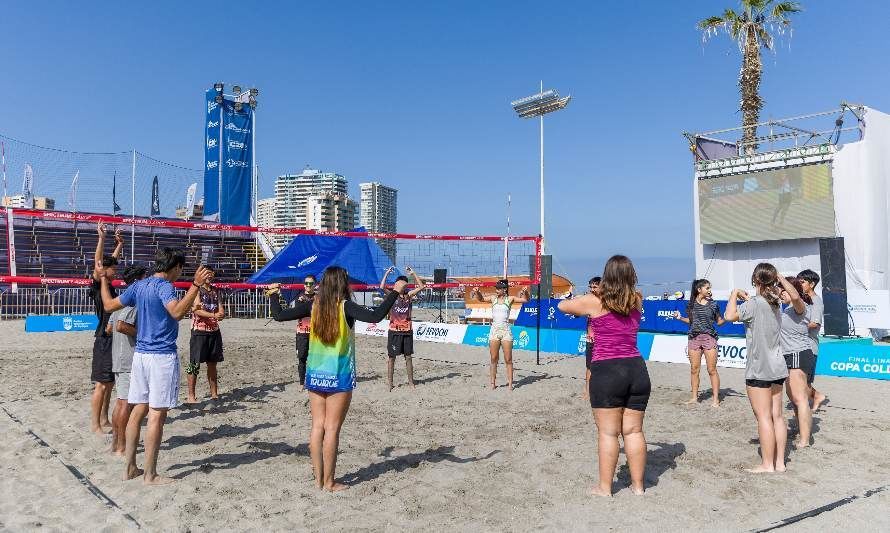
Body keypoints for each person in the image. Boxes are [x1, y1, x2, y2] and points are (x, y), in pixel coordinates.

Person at [266, 267, 405, 492]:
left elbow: (279, 315)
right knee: (331, 429)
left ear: (324, 284)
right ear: (343, 284)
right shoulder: (345, 307)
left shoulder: (313, 305)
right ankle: (329, 482)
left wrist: (273, 293)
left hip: (315, 373)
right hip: (339, 374)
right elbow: (376, 316)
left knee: (317, 426)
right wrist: (396, 291)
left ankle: (318, 480)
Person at [101, 248, 211, 485]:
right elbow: (177, 312)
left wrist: (102, 278)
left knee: (138, 410)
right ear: (175, 267)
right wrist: (195, 285)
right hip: (161, 357)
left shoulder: (140, 285)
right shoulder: (164, 287)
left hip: (140, 355)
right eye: (180, 269)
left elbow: (109, 305)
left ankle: (130, 467)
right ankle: (150, 475)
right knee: (156, 416)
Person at [558, 255, 650, 497]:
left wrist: (583, 299)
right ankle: (638, 487)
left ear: (606, 276)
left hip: (608, 369)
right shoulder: (636, 300)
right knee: (634, 431)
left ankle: (605, 488)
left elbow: (562, 306)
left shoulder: (594, 301)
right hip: (636, 368)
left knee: (608, 433)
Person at [724, 263, 797, 474]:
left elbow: (729, 316)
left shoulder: (755, 303)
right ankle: (780, 462)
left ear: (755, 280)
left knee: (764, 417)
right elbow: (783, 298)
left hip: (759, 366)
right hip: (777, 365)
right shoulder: (776, 303)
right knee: (778, 416)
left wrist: (733, 294)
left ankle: (767, 464)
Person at [108, 264, 148, 456]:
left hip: (118, 355)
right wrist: (144, 334)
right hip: (128, 357)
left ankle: (116, 443)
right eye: (145, 277)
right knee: (126, 404)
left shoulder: (120, 298)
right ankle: (121, 446)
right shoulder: (133, 299)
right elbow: (122, 326)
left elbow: (110, 328)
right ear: (139, 279)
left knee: (120, 403)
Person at [88, 221, 124, 435]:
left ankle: (104, 419)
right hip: (103, 337)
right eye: (114, 269)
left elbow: (111, 260)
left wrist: (118, 244)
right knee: (101, 385)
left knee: (109, 384)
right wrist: (101, 238)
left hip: (113, 338)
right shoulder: (98, 283)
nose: (116, 271)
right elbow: (100, 262)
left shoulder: (108, 285)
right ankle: (95, 424)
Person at [470, 280, 530, 390]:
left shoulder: (510, 299)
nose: (496, 290)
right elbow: (481, 299)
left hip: (506, 330)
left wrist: (525, 292)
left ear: (504, 289)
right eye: (496, 288)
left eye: (499, 288)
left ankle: (510, 384)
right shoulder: (493, 298)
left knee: (508, 359)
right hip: (494, 330)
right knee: (493, 358)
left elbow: (526, 300)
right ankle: (493, 383)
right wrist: (477, 292)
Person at [673, 279, 725, 406]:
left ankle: (715, 400)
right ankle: (694, 398)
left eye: (709, 288)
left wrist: (729, 318)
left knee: (711, 370)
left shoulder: (713, 304)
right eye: (707, 288)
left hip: (709, 338)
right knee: (694, 369)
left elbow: (719, 322)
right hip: (694, 339)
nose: (709, 290)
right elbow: (691, 322)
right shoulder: (690, 305)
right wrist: (679, 318)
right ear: (699, 289)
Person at [778, 276, 815, 448]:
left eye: (783, 290)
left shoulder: (801, 307)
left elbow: (794, 296)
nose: (781, 293)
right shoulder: (785, 310)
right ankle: (802, 430)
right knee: (793, 397)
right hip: (787, 355)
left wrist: (779, 276)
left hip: (798, 353)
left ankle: (805, 440)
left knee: (800, 398)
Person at [380, 266, 426, 391]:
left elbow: (422, 287)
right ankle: (390, 383)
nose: (402, 286)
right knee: (391, 358)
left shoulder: (409, 295)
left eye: (404, 284)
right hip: (394, 331)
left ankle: (411, 382)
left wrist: (413, 273)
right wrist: (387, 273)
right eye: (400, 284)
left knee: (408, 357)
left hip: (407, 331)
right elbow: (381, 287)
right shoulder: (392, 295)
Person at [186, 266, 225, 403]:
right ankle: (191, 395)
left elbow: (221, 309)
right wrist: (215, 315)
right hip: (199, 331)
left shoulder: (215, 291)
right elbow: (197, 311)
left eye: (210, 273)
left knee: (212, 364)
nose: (209, 275)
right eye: (206, 273)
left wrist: (220, 315)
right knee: (194, 364)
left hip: (214, 331)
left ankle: (214, 393)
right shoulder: (196, 290)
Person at [797, 269, 828, 411]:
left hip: (809, 347)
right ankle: (816, 396)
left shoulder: (817, 302)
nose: (799, 284)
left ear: (812, 284)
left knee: (804, 383)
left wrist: (794, 326)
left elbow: (815, 324)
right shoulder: (802, 300)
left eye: (802, 282)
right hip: (799, 345)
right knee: (800, 381)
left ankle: (817, 396)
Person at [291, 274, 318, 391]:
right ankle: (302, 383)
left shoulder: (319, 298)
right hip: (302, 332)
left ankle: (313, 381)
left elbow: (317, 313)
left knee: (316, 358)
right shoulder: (299, 297)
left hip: (316, 332)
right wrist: (307, 305)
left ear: (315, 285)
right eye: (306, 283)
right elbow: (300, 312)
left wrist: (308, 305)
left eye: (310, 283)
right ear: (304, 285)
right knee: (302, 358)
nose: (308, 286)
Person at [582, 277, 602, 400]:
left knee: (604, 367)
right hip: (591, 340)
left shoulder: (607, 302)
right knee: (589, 367)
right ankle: (587, 391)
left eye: (595, 287)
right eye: (591, 287)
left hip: (603, 341)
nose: (592, 290)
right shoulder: (588, 301)